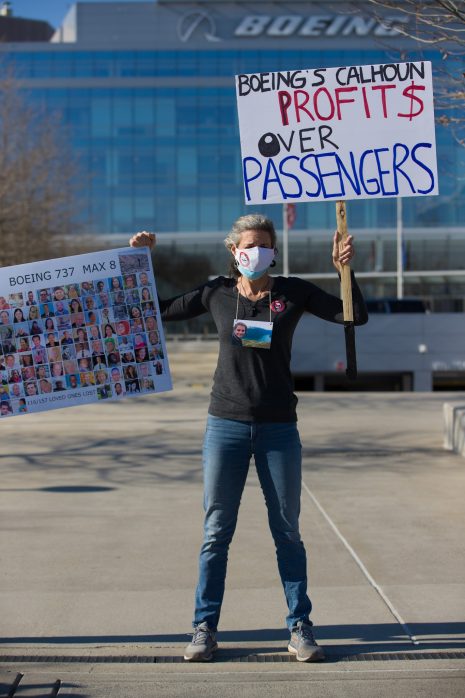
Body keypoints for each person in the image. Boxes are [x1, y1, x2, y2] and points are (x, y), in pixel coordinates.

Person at [129, 214, 368, 663]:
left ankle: (299, 626)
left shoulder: (292, 292)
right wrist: (140, 261)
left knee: (288, 532)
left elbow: (353, 316)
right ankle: (204, 628)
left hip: (279, 428)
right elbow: (156, 310)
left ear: (274, 251)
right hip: (225, 426)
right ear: (233, 251)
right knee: (216, 532)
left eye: (264, 245)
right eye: (248, 245)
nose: (256, 253)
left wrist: (344, 272)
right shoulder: (215, 293)